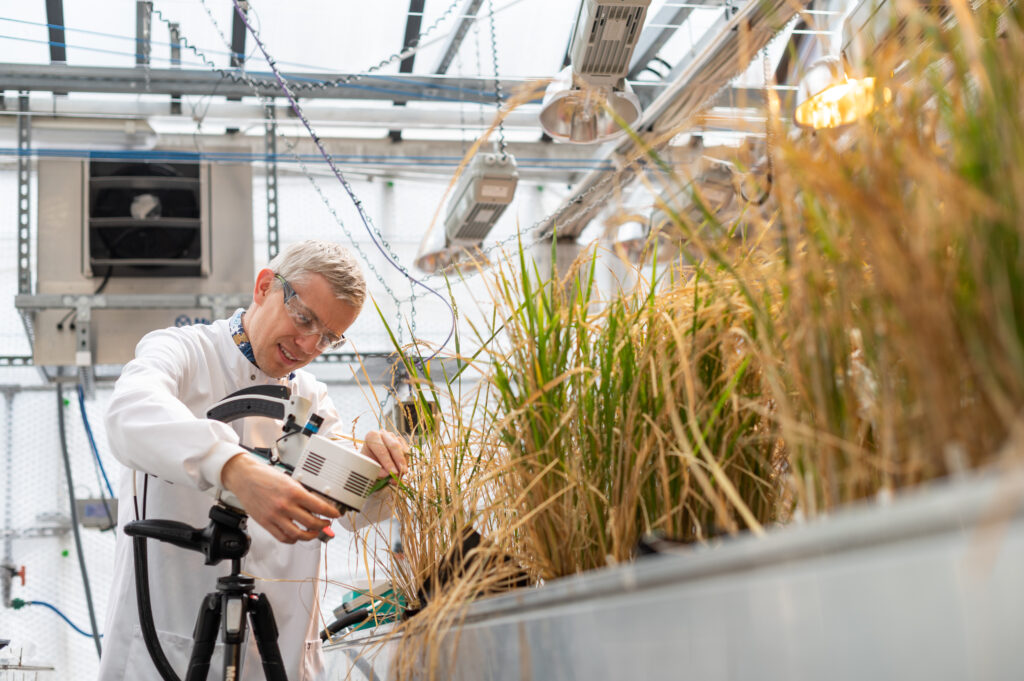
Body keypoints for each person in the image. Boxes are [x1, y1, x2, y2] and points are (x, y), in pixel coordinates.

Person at [97, 240, 408, 681]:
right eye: (304, 319)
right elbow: (129, 413)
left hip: (276, 650)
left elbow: (345, 509)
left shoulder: (311, 398)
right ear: (265, 287)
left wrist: (375, 467)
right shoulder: (184, 353)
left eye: (328, 338)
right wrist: (232, 468)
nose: (308, 345)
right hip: (167, 642)